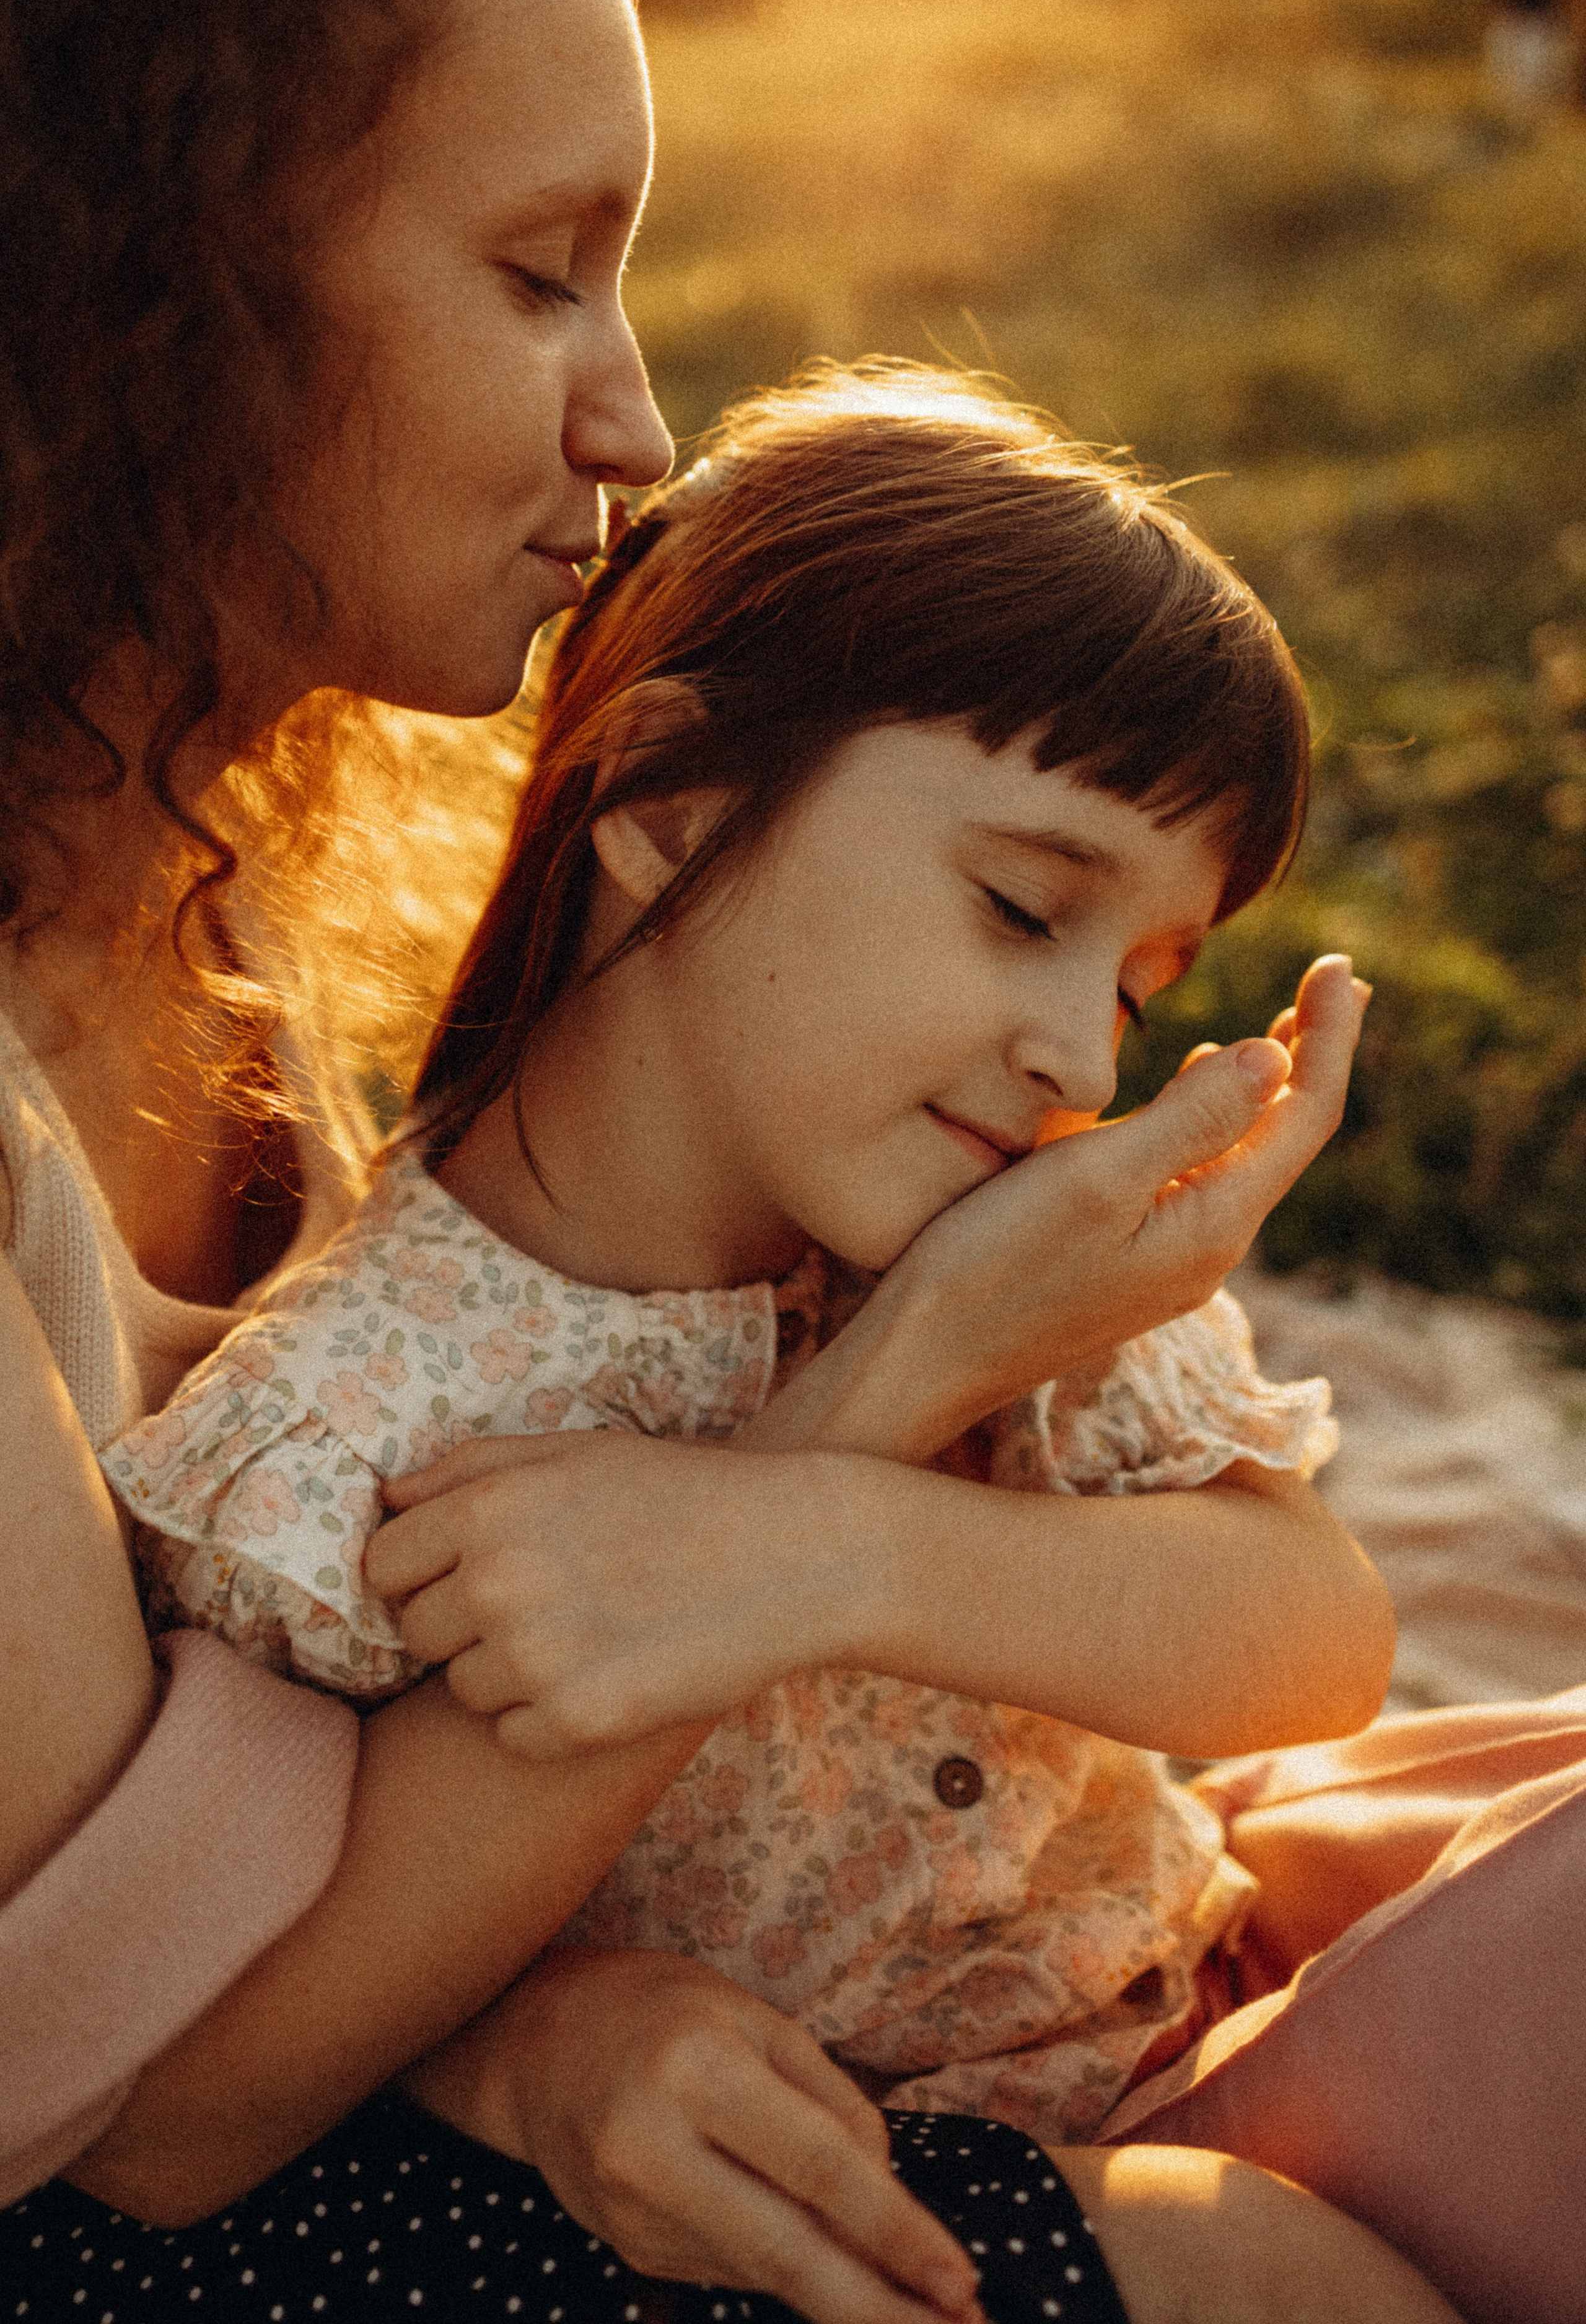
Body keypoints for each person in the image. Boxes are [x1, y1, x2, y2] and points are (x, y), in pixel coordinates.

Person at [0, 0, 1454, 2320]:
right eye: (537, 272)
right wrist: (858, 1448)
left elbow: (1304, 1628)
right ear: (162, 277)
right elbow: (126, 2094)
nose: (639, 422)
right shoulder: (345, 1410)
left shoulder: (212, 851)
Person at [100, 364, 1395, 2159]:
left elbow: (1318, 1642)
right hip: (837, 2189)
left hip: (1207, 2012)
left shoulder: (997, 1248)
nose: (1083, 1066)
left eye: (1134, 988)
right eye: (1023, 910)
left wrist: (829, 1551)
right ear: (675, 804)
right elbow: (215, 2097)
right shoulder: (347, 1426)